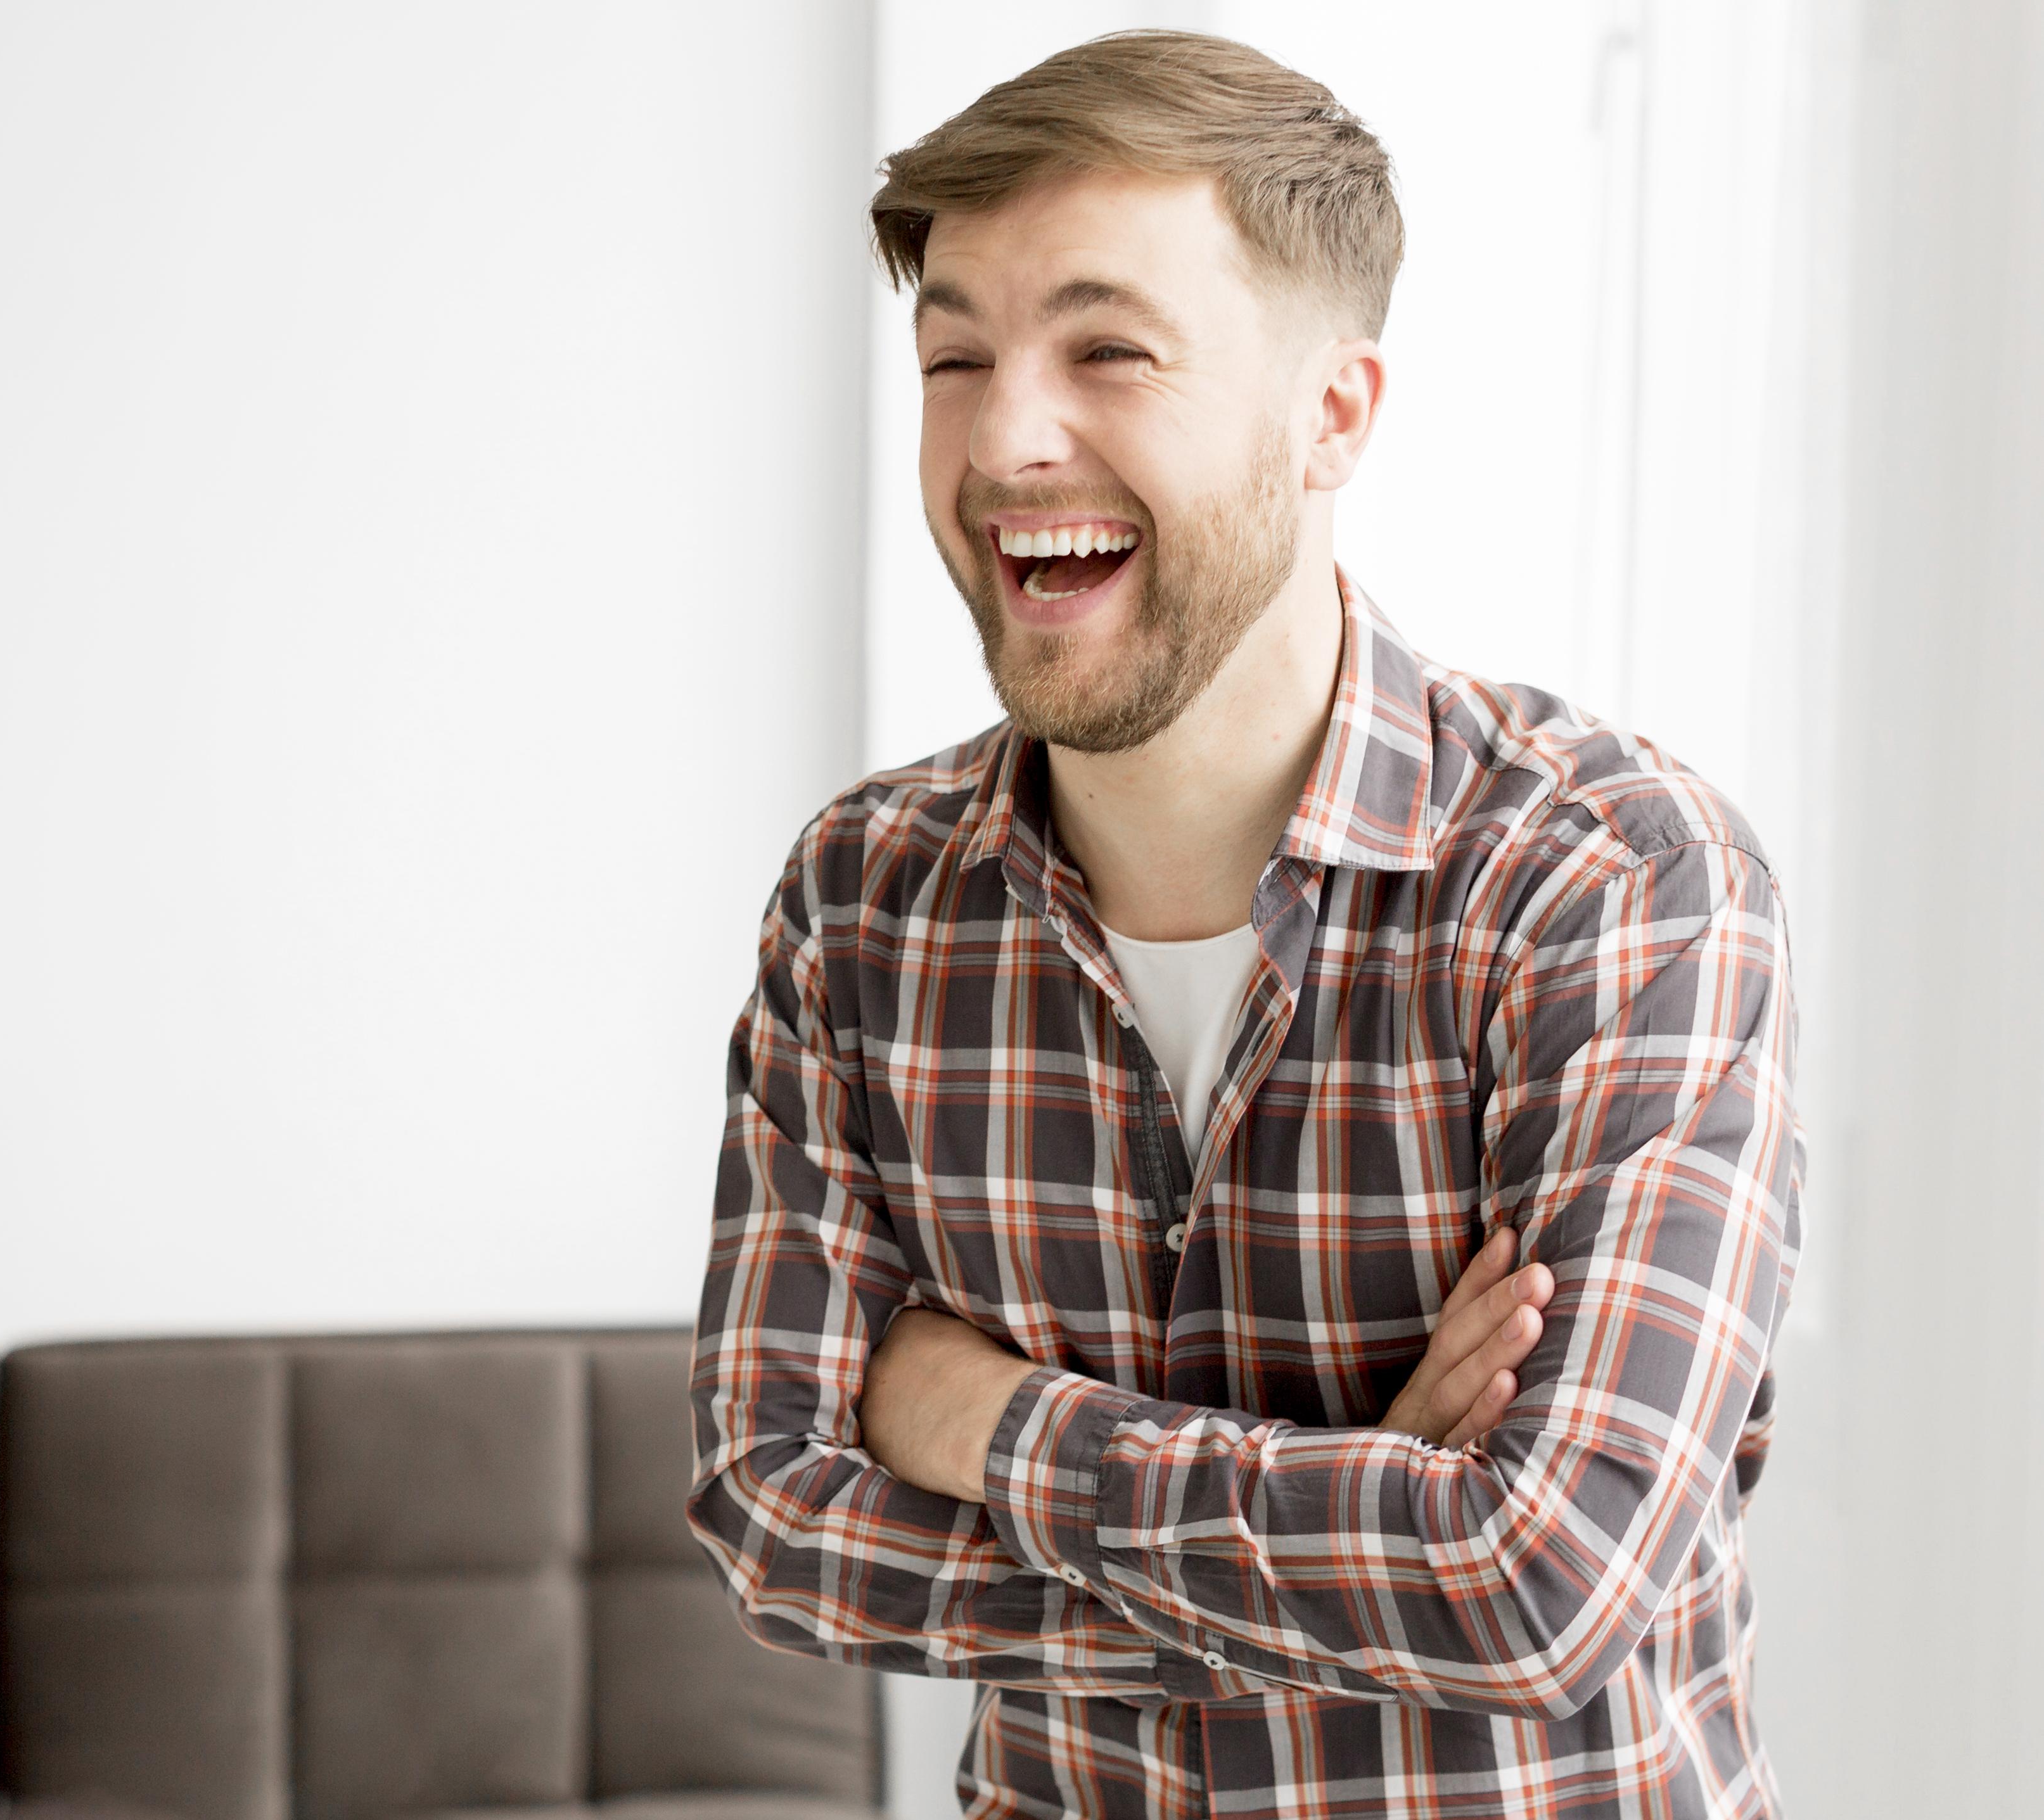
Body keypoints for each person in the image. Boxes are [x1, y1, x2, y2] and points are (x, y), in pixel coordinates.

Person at [685, 30, 1798, 1820]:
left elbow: (1539, 1585)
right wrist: (1363, 1503)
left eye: (1107, 348)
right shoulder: (859, 902)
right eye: (954, 354)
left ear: (1333, 413)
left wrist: (987, 1425)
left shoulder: (1613, 878)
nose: (1006, 432)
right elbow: (773, 1518)